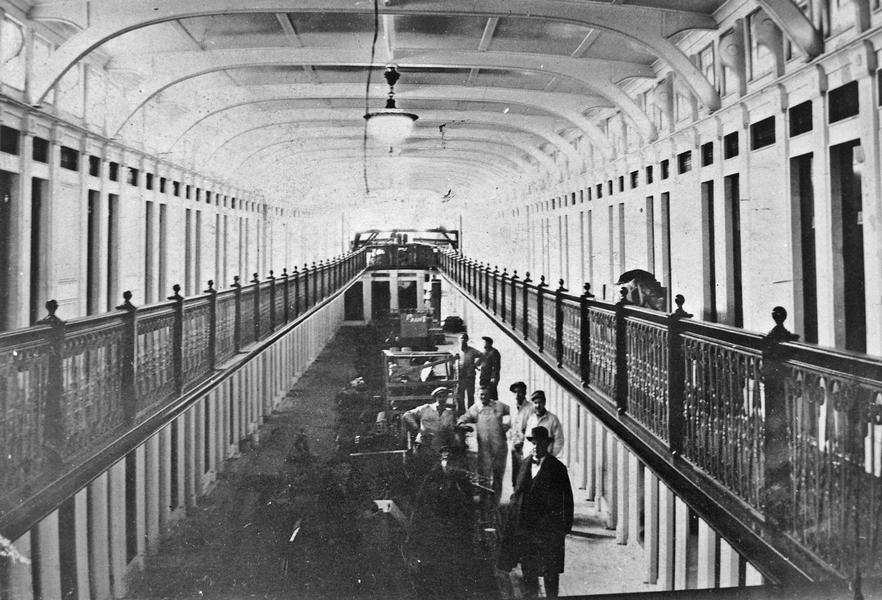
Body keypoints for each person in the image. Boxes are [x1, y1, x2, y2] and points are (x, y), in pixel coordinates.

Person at [499, 426, 574, 598]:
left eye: (539, 443)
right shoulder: (524, 463)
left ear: (547, 445)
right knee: (529, 573)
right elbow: (517, 495)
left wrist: (563, 529)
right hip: (526, 531)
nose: (535, 446)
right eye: (533, 443)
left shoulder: (557, 468)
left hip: (548, 532)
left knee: (550, 574)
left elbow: (567, 501)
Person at [457, 386, 510, 506]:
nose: (483, 397)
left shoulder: (499, 405)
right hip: (484, 449)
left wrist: (508, 423)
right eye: (481, 395)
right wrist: (462, 424)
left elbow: (515, 412)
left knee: (498, 476)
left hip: (500, 447)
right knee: (484, 477)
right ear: (478, 395)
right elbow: (462, 418)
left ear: (489, 395)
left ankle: (496, 502)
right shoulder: (475, 408)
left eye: (485, 394)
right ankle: (484, 504)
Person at [402, 387, 457, 453]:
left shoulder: (449, 413)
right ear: (436, 397)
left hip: (438, 445)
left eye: (445, 396)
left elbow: (450, 430)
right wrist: (416, 427)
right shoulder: (426, 408)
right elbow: (407, 415)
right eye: (440, 396)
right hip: (423, 443)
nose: (442, 399)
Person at [521, 390, 565, 458]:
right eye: (535, 403)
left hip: (546, 457)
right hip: (532, 457)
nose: (538, 405)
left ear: (544, 403)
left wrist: (551, 456)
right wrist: (526, 455)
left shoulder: (552, 419)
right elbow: (527, 440)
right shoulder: (531, 419)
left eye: (540, 402)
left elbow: (559, 440)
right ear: (533, 404)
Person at [507, 381, 533, 488]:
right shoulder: (512, 407)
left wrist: (523, 441)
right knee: (516, 473)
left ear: (525, 393)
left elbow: (532, 427)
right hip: (515, 445)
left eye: (520, 392)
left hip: (525, 446)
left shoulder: (530, 408)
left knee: (525, 473)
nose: (517, 395)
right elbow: (510, 425)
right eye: (515, 392)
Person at [455, 333, 482, 411]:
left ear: (467, 340)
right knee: (459, 396)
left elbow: (482, 356)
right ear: (458, 340)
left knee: (470, 396)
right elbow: (450, 359)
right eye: (461, 338)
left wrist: (476, 364)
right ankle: (461, 412)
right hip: (459, 377)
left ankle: (471, 413)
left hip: (470, 377)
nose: (462, 340)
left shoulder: (472, 350)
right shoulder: (456, 350)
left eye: (464, 338)